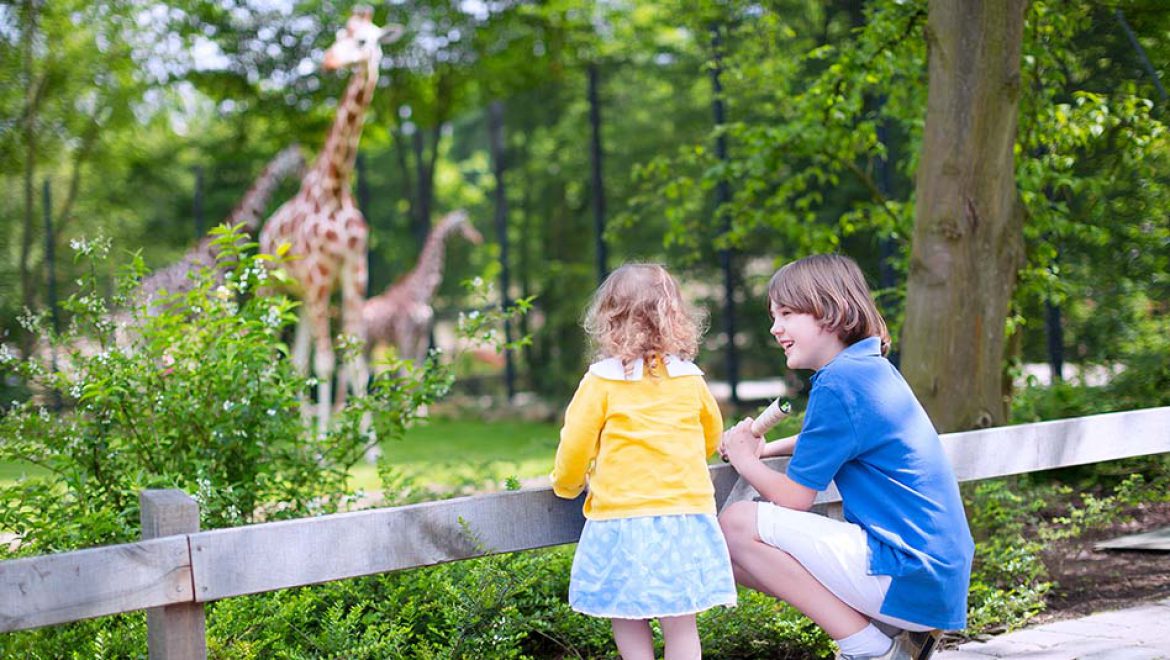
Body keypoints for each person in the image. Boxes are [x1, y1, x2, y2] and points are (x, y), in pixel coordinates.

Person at [719, 254, 974, 660]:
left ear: (830, 312)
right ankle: (890, 635)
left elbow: (794, 499)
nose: (775, 327)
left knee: (734, 525)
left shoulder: (838, 382)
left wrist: (744, 458)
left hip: (906, 569)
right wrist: (766, 449)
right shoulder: (869, 369)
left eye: (786, 313)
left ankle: (871, 649)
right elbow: (831, 439)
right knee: (731, 557)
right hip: (935, 574)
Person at [551, 263, 737, 660]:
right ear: (675, 318)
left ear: (610, 320)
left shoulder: (601, 381)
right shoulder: (690, 378)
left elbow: (574, 446)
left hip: (621, 519)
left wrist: (566, 485)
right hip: (684, 517)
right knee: (682, 624)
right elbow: (710, 436)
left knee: (627, 616)